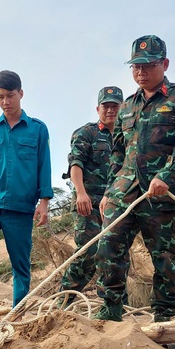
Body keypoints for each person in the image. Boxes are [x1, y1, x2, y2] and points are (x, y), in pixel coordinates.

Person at [93, 35, 175, 323]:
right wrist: (108, 191)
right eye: (135, 67)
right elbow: (118, 152)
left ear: (164, 64)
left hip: (163, 195)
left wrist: (167, 175)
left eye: (148, 66)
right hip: (124, 193)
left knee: (164, 259)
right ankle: (111, 309)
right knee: (108, 248)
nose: (141, 72)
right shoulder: (127, 106)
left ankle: (165, 321)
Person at [0, 70, 53, 315]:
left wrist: (44, 202)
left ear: (21, 94)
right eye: (0, 97)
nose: (5, 102)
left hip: (21, 207)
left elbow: (44, 166)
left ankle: (18, 312)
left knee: (21, 264)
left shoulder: (37, 129)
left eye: (10, 96)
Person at [59, 86, 124, 307]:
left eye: (115, 106)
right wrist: (81, 193)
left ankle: (114, 306)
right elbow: (75, 164)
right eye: (106, 106)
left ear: (122, 107)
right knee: (87, 253)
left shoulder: (127, 136)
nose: (110, 110)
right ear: (98, 108)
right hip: (89, 203)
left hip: (117, 204)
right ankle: (63, 301)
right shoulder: (86, 133)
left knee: (116, 255)